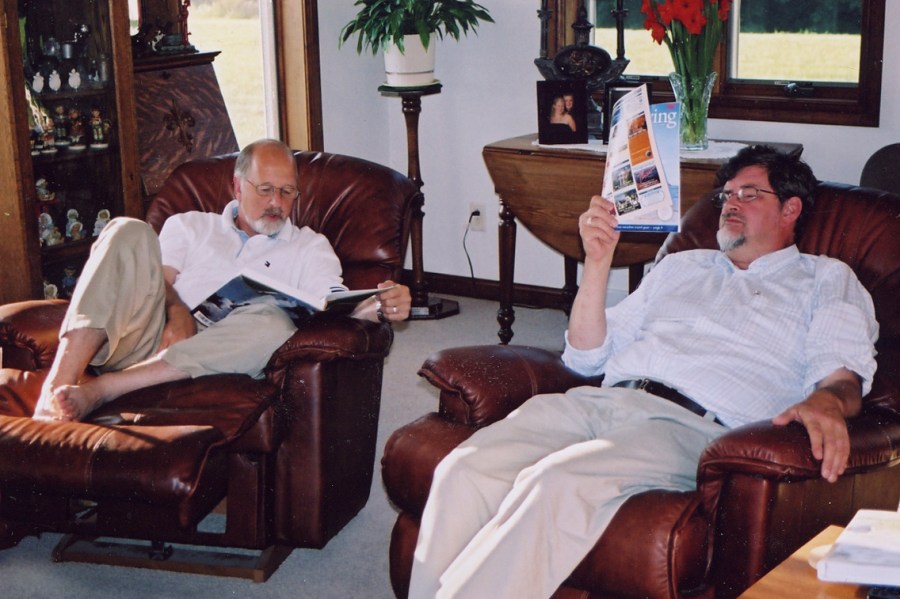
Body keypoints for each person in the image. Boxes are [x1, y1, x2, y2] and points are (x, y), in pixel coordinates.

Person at [408, 145, 878, 598]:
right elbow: (586, 358)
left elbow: (841, 376)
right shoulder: (683, 266)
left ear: (791, 209)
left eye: (749, 194)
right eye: (726, 195)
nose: (731, 204)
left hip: (690, 425)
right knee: (465, 468)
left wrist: (827, 401)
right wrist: (597, 263)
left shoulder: (826, 278)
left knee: (557, 483)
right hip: (601, 401)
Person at [33, 138, 411, 423]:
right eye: (265, 190)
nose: (276, 203)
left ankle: (103, 390)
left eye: (287, 192)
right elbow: (154, 282)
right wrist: (177, 311)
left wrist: (380, 306)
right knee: (126, 229)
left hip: (218, 353)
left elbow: (334, 303)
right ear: (237, 187)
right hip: (152, 334)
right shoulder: (190, 225)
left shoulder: (310, 246)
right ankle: (55, 391)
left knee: (273, 322)